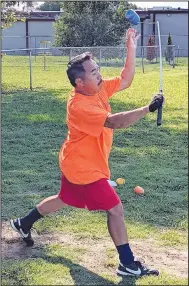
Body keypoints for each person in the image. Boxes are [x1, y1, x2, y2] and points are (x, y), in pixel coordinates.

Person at [10, 29, 163, 277]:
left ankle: (23, 223)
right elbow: (114, 122)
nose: (99, 75)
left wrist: (131, 48)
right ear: (79, 82)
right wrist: (148, 108)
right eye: (93, 72)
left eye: (98, 69)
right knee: (115, 209)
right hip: (84, 169)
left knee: (64, 198)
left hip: (73, 161)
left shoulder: (98, 88)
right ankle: (127, 263)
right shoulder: (79, 105)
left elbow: (125, 79)